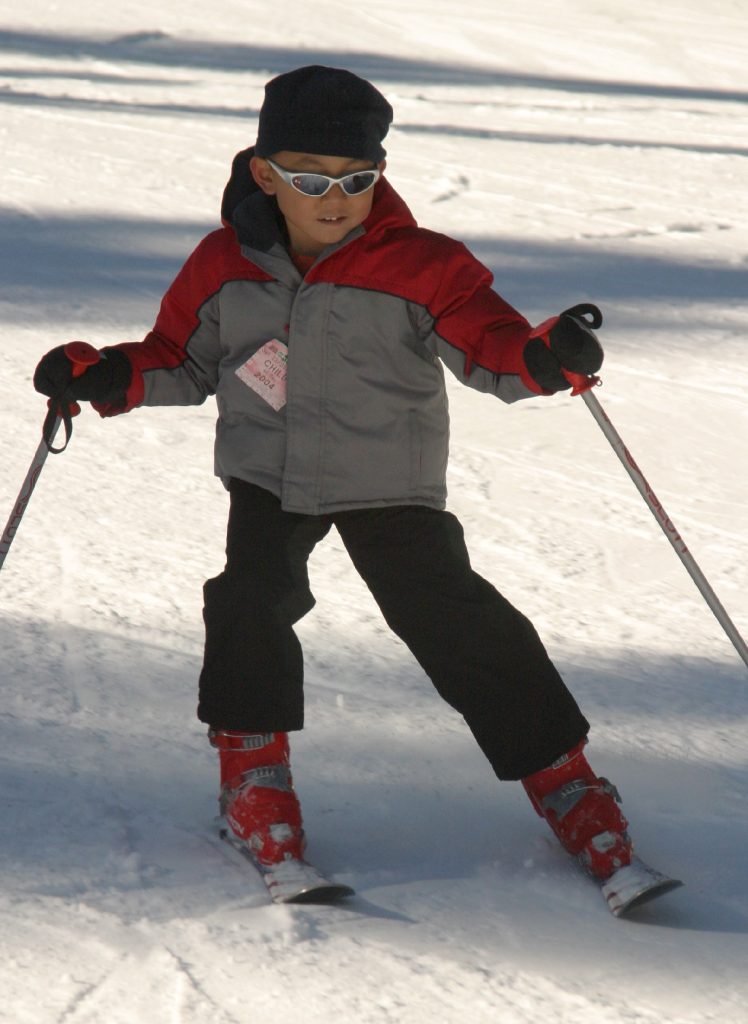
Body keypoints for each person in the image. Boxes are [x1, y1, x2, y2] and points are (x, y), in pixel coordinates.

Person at [34, 65, 632, 888]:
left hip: (388, 476)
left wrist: (542, 357)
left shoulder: (425, 266)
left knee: (452, 615)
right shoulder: (223, 264)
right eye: (311, 179)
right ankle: (252, 774)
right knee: (250, 598)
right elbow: (181, 359)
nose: (335, 198)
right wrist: (107, 374)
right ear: (265, 174)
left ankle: (566, 780)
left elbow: (492, 348)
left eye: (357, 179)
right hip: (271, 475)